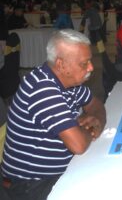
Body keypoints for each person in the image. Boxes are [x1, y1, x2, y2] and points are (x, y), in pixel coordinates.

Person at [1, 29, 106, 200]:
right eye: (84, 63)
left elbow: (95, 104)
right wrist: (90, 128)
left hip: (55, 171)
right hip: (30, 184)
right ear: (61, 64)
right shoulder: (42, 89)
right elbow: (78, 145)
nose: (91, 67)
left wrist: (96, 120)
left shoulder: (70, 82)